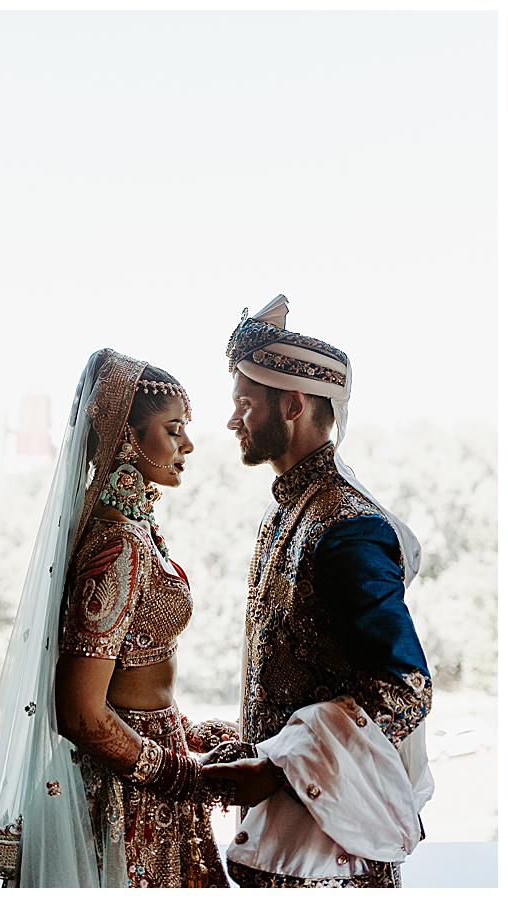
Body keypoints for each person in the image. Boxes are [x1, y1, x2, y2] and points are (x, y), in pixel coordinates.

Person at [0, 348, 235, 888]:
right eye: (173, 429)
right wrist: (180, 773)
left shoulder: (127, 531)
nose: (188, 445)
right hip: (127, 799)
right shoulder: (118, 545)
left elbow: (128, 677)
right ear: (128, 438)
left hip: (144, 766)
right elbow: (81, 713)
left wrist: (190, 736)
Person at [203, 296, 433, 887]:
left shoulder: (345, 527)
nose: (232, 421)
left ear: (295, 404)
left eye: (244, 405)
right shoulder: (286, 516)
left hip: (330, 853)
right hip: (281, 838)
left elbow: (405, 690)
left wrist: (277, 770)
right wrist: (249, 746)